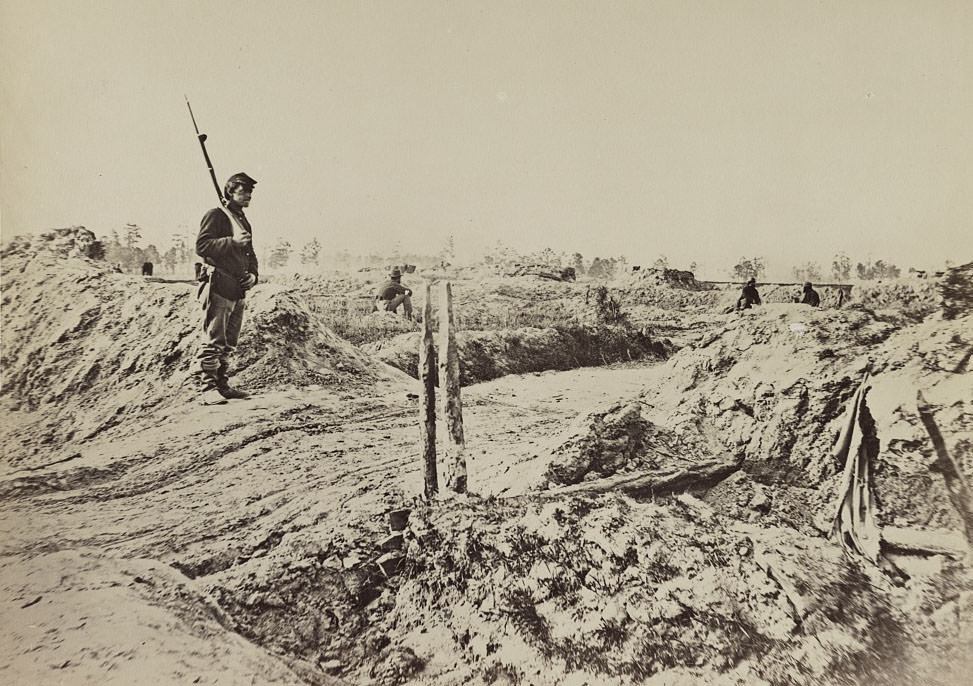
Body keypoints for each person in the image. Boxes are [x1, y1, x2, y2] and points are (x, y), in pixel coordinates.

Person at [195, 172, 259, 404]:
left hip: (237, 288)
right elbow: (202, 246)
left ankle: (222, 385)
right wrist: (231, 242)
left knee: (229, 343)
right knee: (214, 340)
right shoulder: (217, 215)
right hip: (219, 285)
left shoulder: (241, 220)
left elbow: (250, 254)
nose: (249, 195)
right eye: (244, 191)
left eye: (251, 192)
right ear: (230, 191)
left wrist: (253, 275)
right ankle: (207, 388)